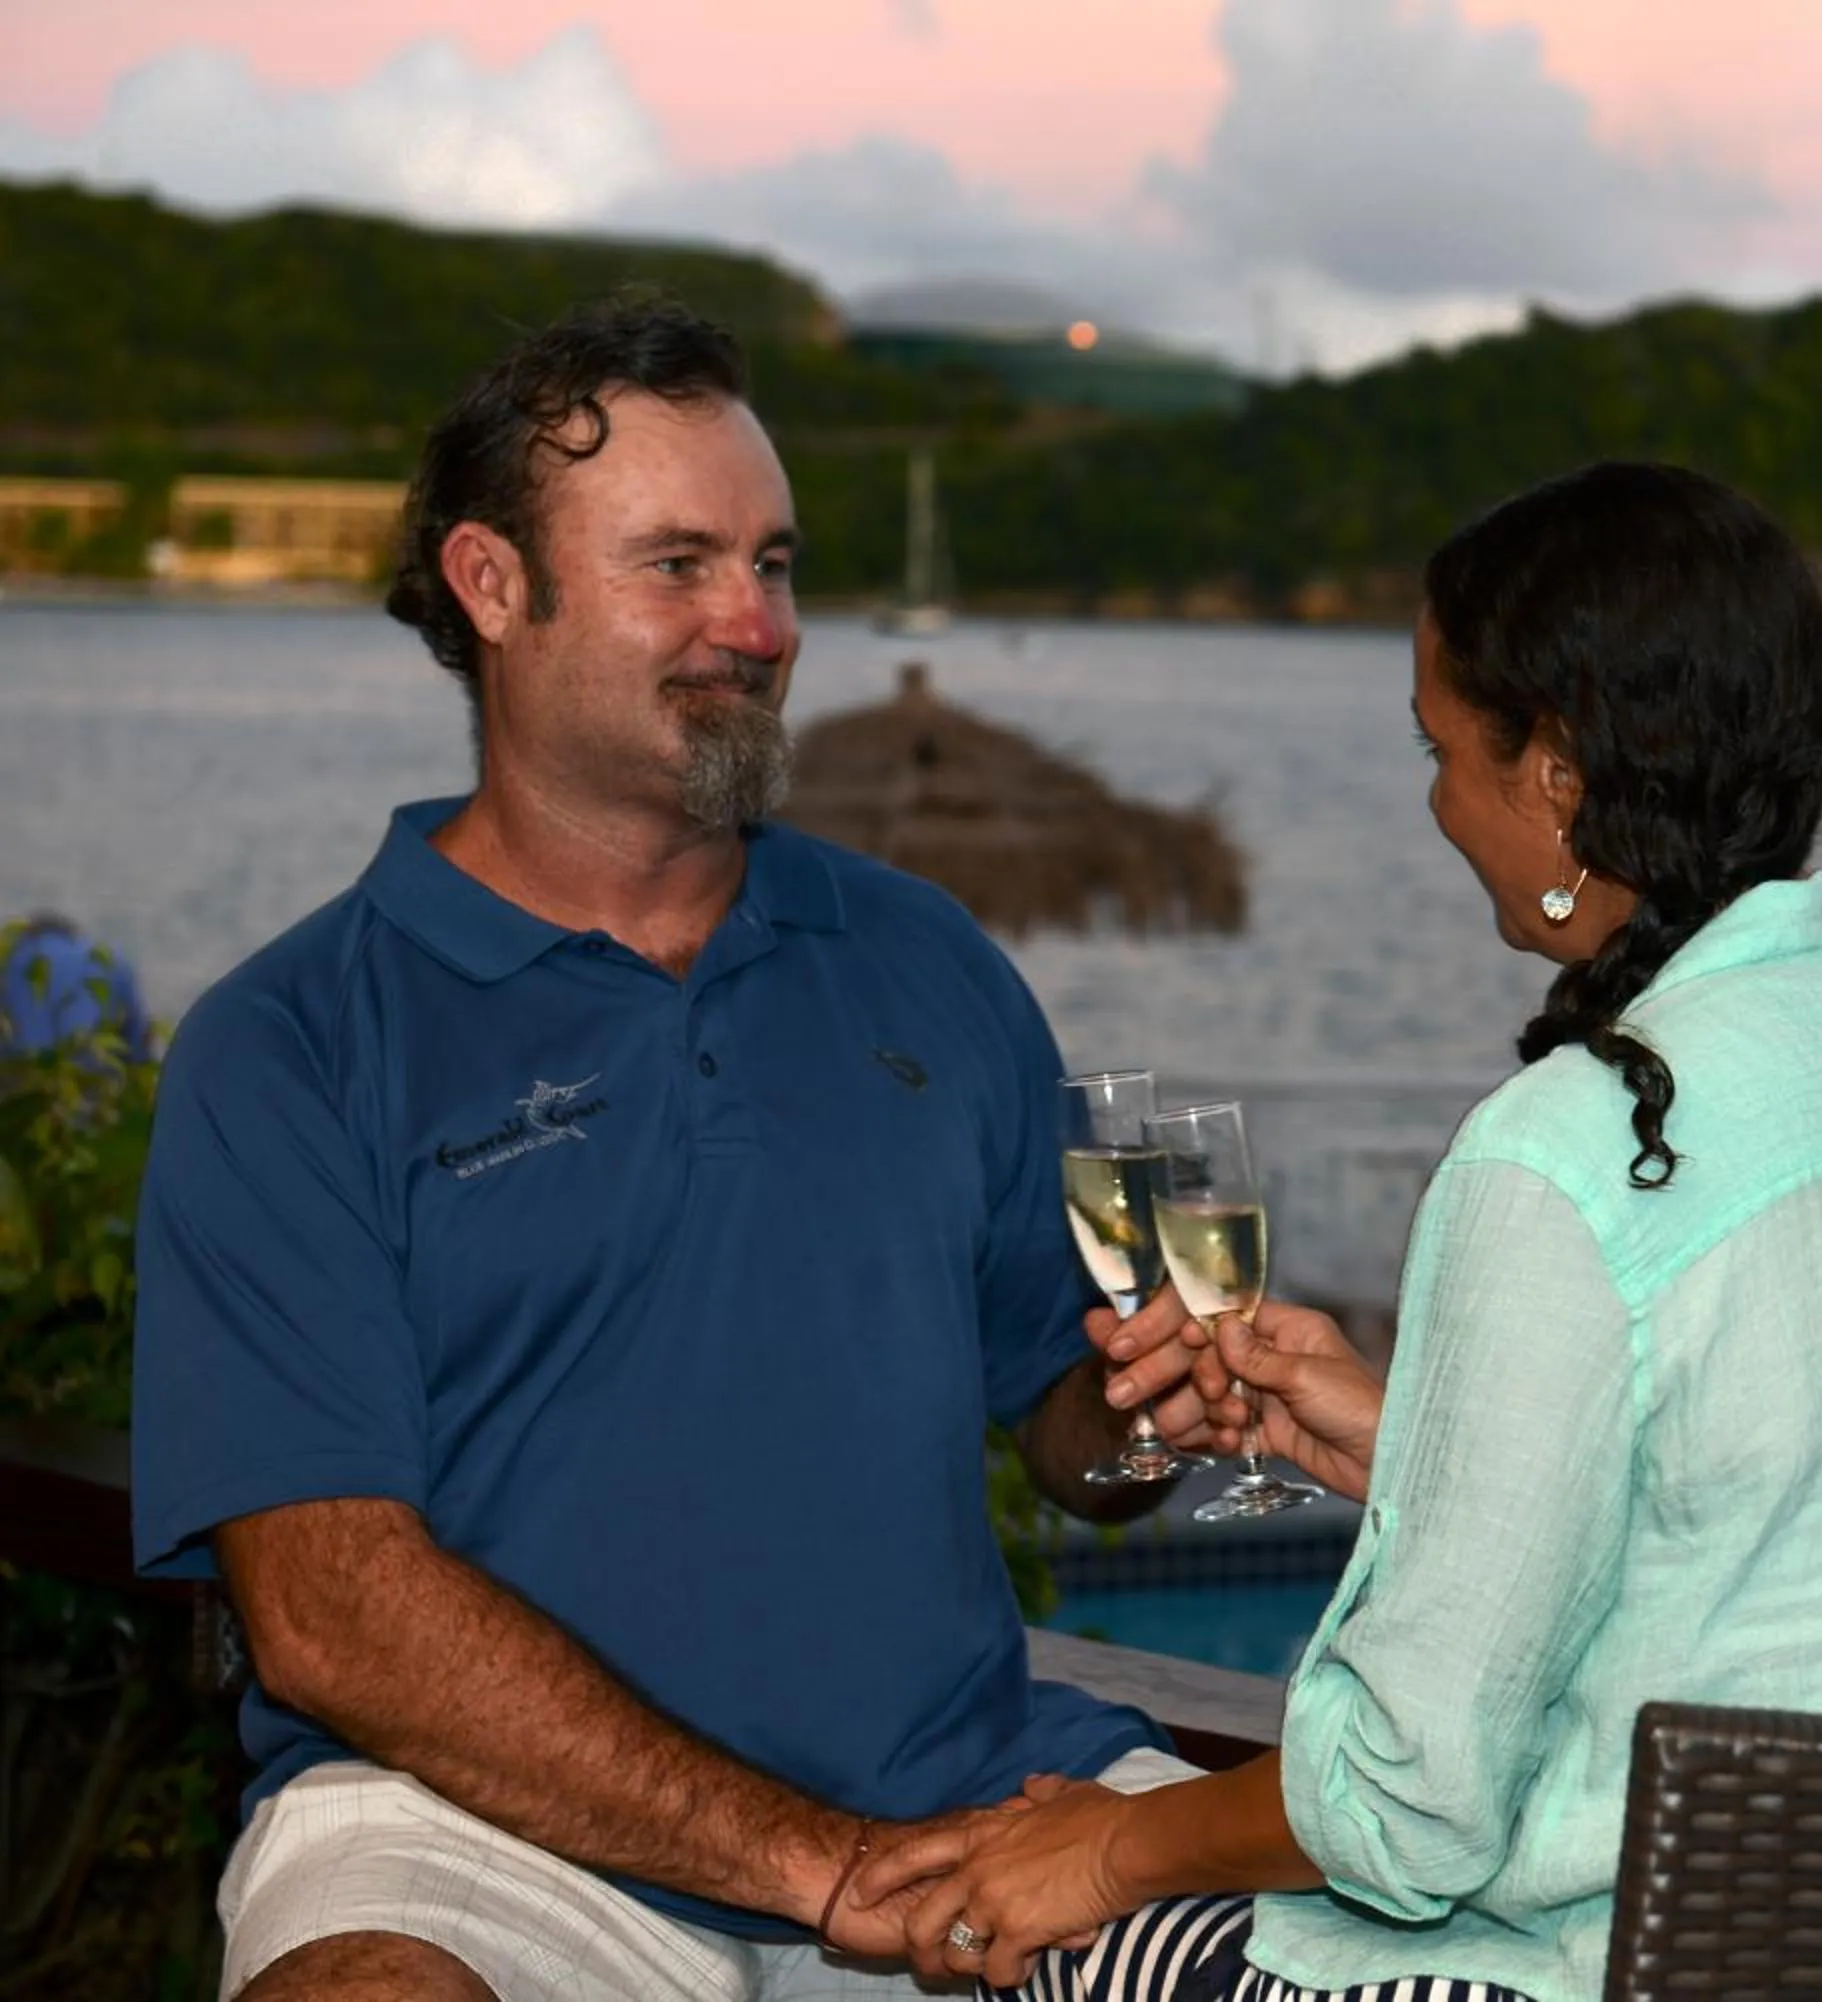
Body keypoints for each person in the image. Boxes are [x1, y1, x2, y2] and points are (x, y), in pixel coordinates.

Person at [841, 462, 1822, 2002]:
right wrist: (1421, 1446)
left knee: (1052, 1915)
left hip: (1676, 1961)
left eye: (1442, 745)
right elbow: (1785, 1525)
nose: (1436, 798)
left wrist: (1106, 1854)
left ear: (1559, 773)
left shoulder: (1571, 1149)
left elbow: (1405, 1801)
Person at [130, 297, 1200, 2002]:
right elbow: (330, 1610)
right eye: (681, 564)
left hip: (972, 1801)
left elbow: (1079, 1437)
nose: (755, 624)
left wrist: (1166, 1399)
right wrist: (810, 1864)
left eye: (774, 566)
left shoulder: (930, 961)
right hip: (477, 1835)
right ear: (492, 587)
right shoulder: (296, 1044)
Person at [0, 911, 154, 1062]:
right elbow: (139, 1043)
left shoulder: (9, 960)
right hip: (93, 1074)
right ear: (71, 934)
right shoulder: (112, 960)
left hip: (19, 1072)